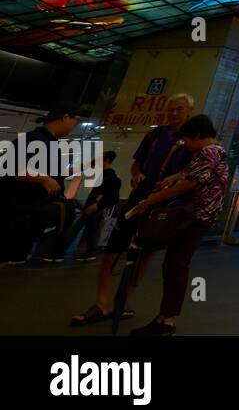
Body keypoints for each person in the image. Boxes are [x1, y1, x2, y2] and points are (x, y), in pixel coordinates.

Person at [69, 94, 195, 326]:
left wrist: (173, 181)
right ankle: (101, 303)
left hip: (162, 205)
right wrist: (136, 173)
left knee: (146, 254)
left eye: (179, 109)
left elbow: (192, 173)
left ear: (189, 111)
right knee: (112, 250)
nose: (174, 113)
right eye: (171, 109)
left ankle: (121, 302)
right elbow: (138, 162)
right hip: (138, 198)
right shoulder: (155, 134)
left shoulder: (191, 140)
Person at [130, 114, 230, 336]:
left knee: (176, 265)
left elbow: (189, 184)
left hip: (194, 217)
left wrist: (152, 200)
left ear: (196, 135)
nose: (185, 145)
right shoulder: (218, 152)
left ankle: (166, 321)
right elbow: (190, 175)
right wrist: (174, 177)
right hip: (202, 217)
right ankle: (164, 317)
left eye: (186, 140)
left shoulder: (206, 152)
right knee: (174, 264)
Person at [0, 108, 81, 266]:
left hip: (28, 217)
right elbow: (10, 169)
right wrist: (43, 178)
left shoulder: (51, 143)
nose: (75, 125)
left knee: (15, 263)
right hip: (14, 216)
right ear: (65, 117)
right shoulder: (33, 140)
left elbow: (54, 175)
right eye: (75, 120)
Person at [72, 150, 120, 261]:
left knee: (81, 228)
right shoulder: (105, 174)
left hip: (93, 206)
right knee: (91, 229)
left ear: (107, 160)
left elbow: (103, 192)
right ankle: (90, 253)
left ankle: (60, 251)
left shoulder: (108, 175)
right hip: (94, 206)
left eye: (101, 158)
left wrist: (96, 204)